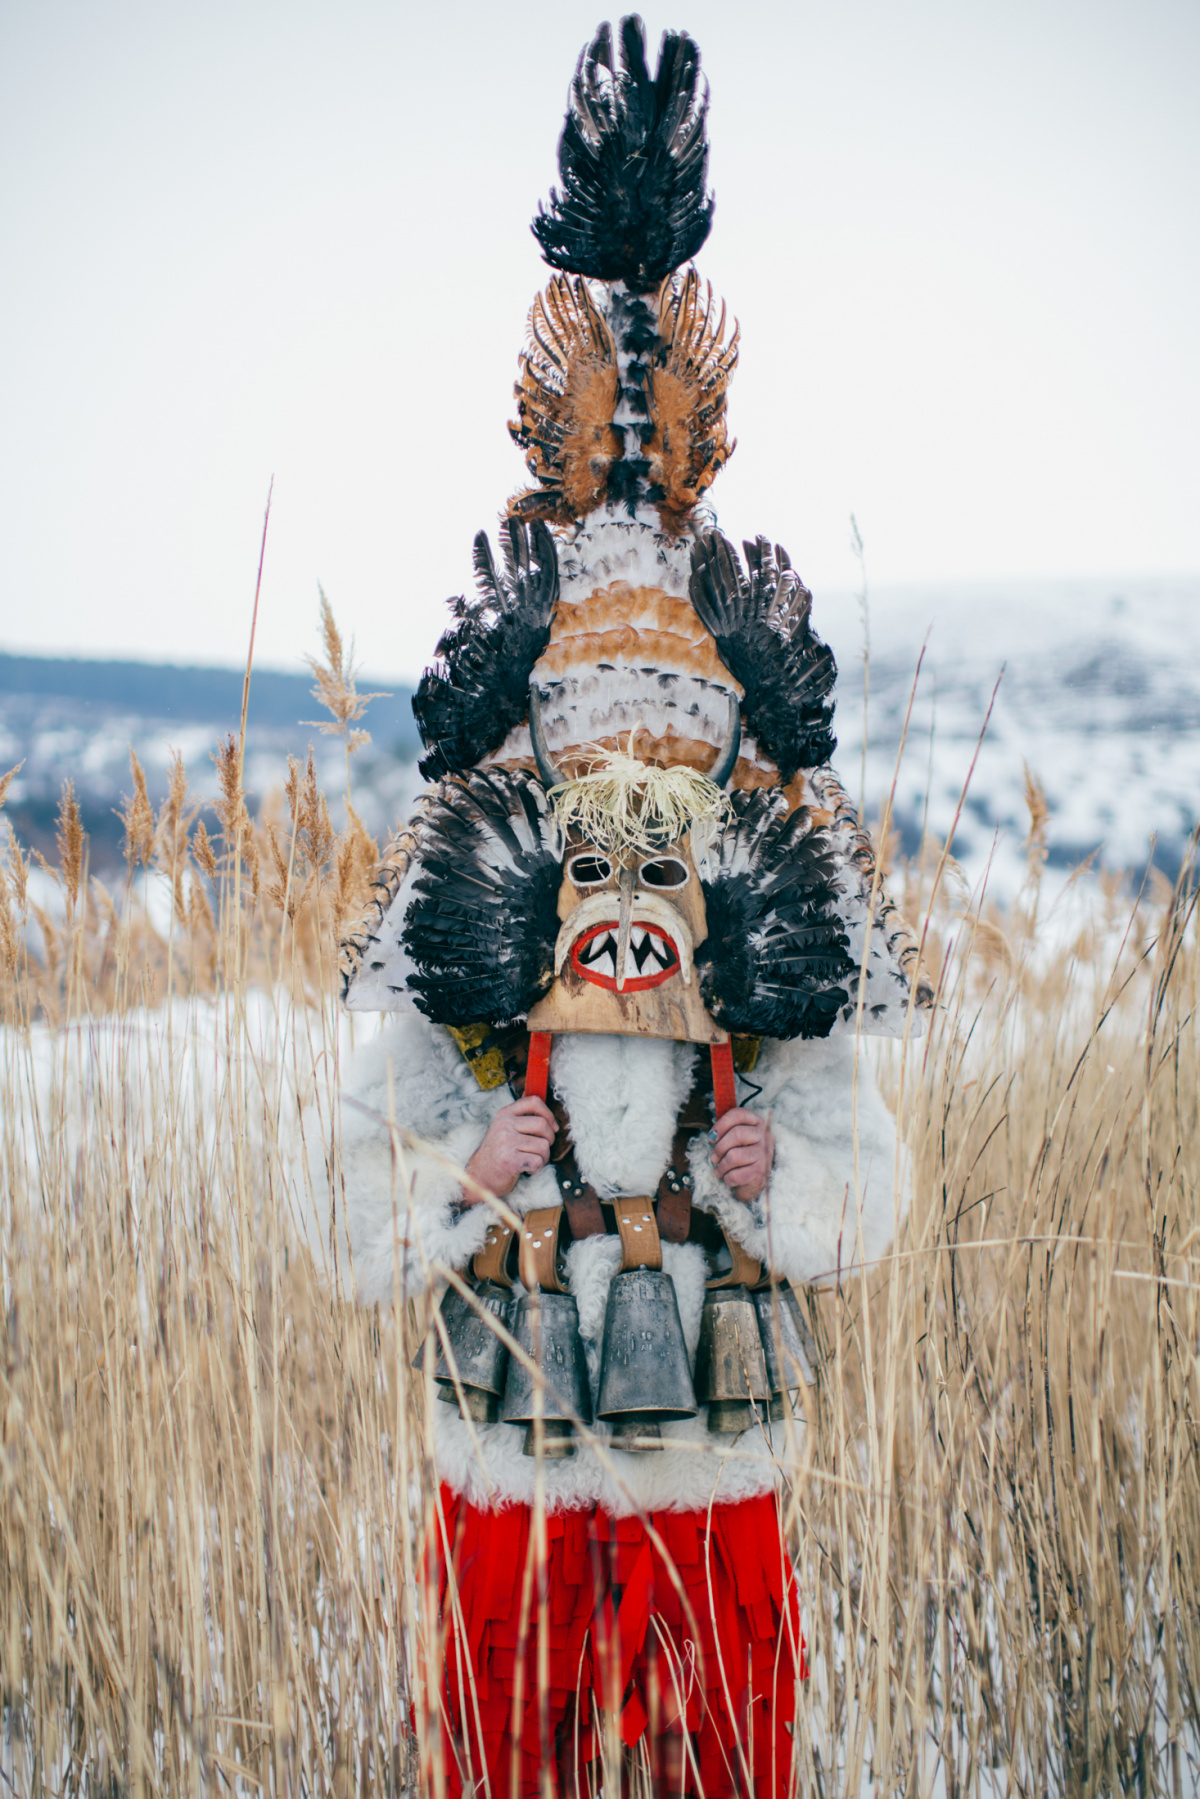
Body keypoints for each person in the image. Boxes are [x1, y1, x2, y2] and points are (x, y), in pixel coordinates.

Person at [311, 17, 929, 1795]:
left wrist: (776, 1184)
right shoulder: (469, 942)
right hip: (505, 1459)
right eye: (602, 797)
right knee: (509, 1758)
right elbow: (346, 1216)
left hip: (709, 1470)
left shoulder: (764, 914)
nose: (630, 850)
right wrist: (470, 1175)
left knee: (722, 1761)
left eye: (666, 799)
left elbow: (861, 1199)